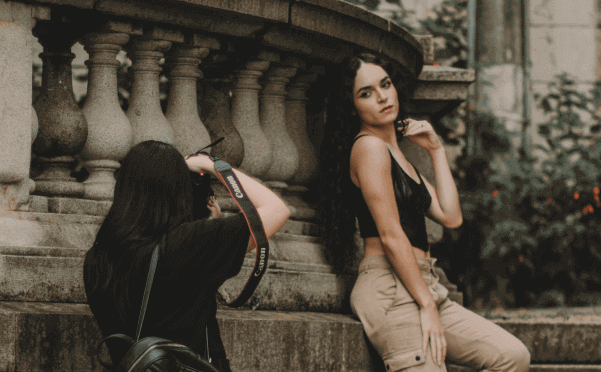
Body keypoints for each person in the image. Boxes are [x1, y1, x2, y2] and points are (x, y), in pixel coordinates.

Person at [321, 53, 531, 371]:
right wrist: (426, 304)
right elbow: (392, 236)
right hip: (391, 289)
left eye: (385, 85)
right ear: (353, 107)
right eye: (366, 93)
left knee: (512, 357)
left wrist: (436, 150)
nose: (381, 96)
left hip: (423, 283)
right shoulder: (369, 148)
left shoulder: (399, 156)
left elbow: (450, 216)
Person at [83, 140, 290, 372]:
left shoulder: (96, 257)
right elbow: (277, 209)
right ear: (178, 189)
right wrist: (212, 165)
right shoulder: (187, 243)